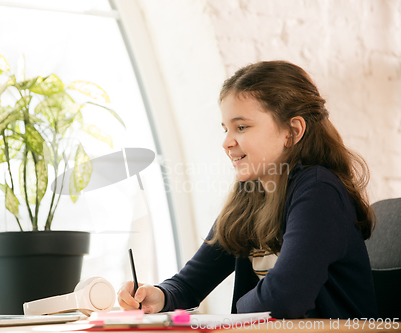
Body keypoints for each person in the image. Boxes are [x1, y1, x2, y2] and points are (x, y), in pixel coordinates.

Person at [117, 61, 378, 319]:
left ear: (292, 131)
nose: (227, 142)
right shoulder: (250, 195)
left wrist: (234, 313)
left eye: (241, 127)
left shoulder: (319, 191)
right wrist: (158, 296)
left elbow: (284, 299)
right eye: (226, 129)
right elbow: (188, 285)